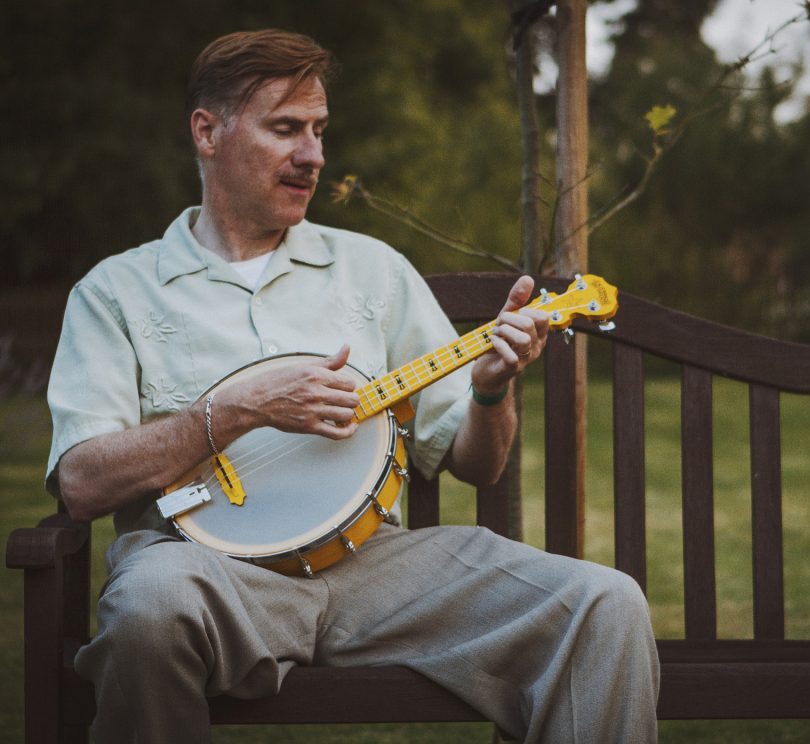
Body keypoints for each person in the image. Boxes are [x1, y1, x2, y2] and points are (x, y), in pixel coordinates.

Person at [45, 29, 659, 743]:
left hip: (379, 569)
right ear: (207, 132)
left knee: (604, 605)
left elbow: (475, 461)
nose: (312, 155)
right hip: (206, 575)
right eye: (285, 129)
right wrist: (234, 411)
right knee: (149, 608)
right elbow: (82, 484)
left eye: (319, 131)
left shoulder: (372, 271)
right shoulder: (117, 292)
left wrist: (491, 388)